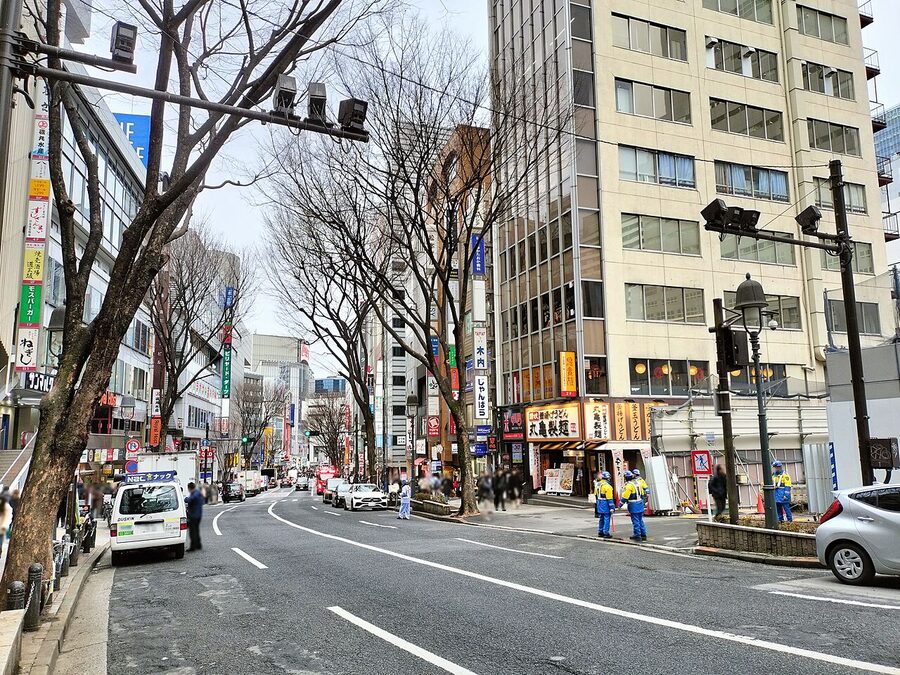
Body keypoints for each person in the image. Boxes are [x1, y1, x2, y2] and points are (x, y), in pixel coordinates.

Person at [619, 470, 647, 542]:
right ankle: (643, 534)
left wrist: (620, 504)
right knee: (640, 519)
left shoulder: (629, 485)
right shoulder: (638, 483)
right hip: (640, 503)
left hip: (633, 505)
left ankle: (637, 535)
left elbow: (625, 496)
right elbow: (643, 493)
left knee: (635, 520)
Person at [594, 471, 615, 539]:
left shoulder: (598, 484)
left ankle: (600, 531)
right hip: (605, 503)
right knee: (606, 517)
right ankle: (606, 532)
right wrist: (612, 507)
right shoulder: (607, 486)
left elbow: (595, 494)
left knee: (601, 518)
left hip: (599, 502)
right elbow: (609, 498)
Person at [185, 481, 204, 551]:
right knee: (196, 530)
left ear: (189, 488)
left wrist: (185, 499)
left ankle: (193, 546)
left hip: (193, 515)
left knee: (192, 531)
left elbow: (189, 500)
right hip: (198, 514)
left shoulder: (195, 493)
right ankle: (198, 545)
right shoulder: (198, 493)